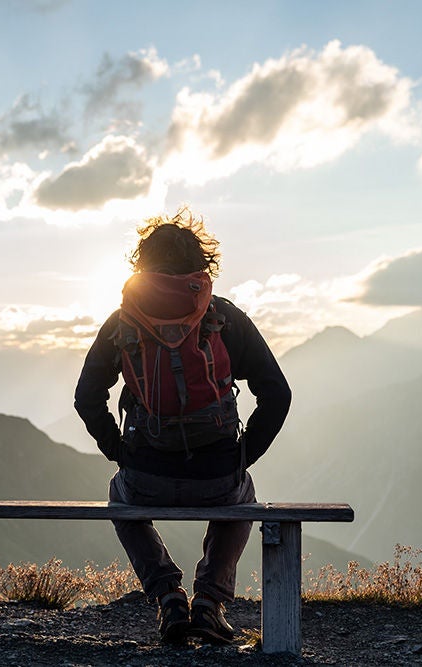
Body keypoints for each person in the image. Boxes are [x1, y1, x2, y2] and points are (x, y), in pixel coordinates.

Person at [74, 207, 290, 645]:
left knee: (119, 495)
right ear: (201, 266)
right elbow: (277, 395)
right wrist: (242, 455)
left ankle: (168, 596)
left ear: (142, 266)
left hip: (145, 475)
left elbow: (86, 398)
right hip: (217, 476)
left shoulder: (122, 322)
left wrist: (119, 451)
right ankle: (209, 603)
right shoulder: (224, 317)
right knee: (243, 492)